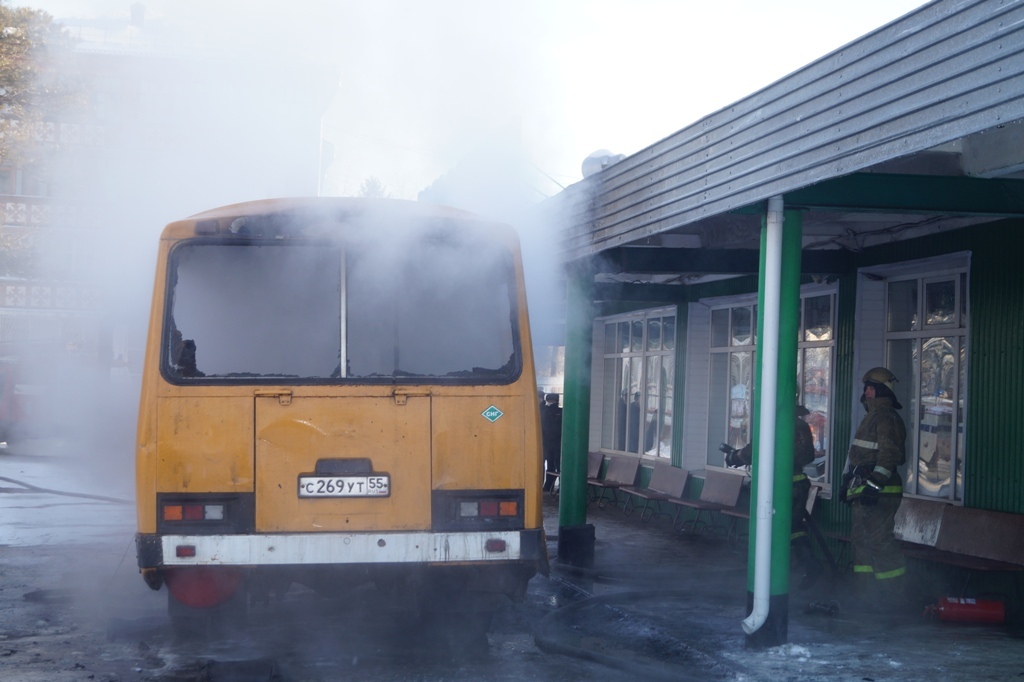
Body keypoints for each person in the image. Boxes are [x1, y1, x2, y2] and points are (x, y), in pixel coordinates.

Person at [724, 403, 822, 589]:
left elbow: (755, 450)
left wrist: (734, 457)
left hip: (779, 486)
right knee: (793, 526)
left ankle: (777, 571)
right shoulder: (801, 425)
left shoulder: (773, 424)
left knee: (774, 526)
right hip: (799, 484)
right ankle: (807, 565)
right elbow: (808, 456)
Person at [841, 366, 907, 608]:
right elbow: (861, 456)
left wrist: (875, 483)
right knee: (861, 541)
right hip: (865, 488)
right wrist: (848, 480)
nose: (866, 392)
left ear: (881, 390)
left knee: (879, 542)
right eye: (866, 388)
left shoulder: (887, 417)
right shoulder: (872, 416)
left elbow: (890, 454)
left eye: (870, 388)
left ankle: (894, 597)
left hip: (882, 491)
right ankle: (866, 596)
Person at [540, 393, 563, 492]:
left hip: (548, 443)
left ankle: (548, 486)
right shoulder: (561, 412)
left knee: (551, 466)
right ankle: (559, 487)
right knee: (558, 465)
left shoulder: (545, 411)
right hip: (558, 443)